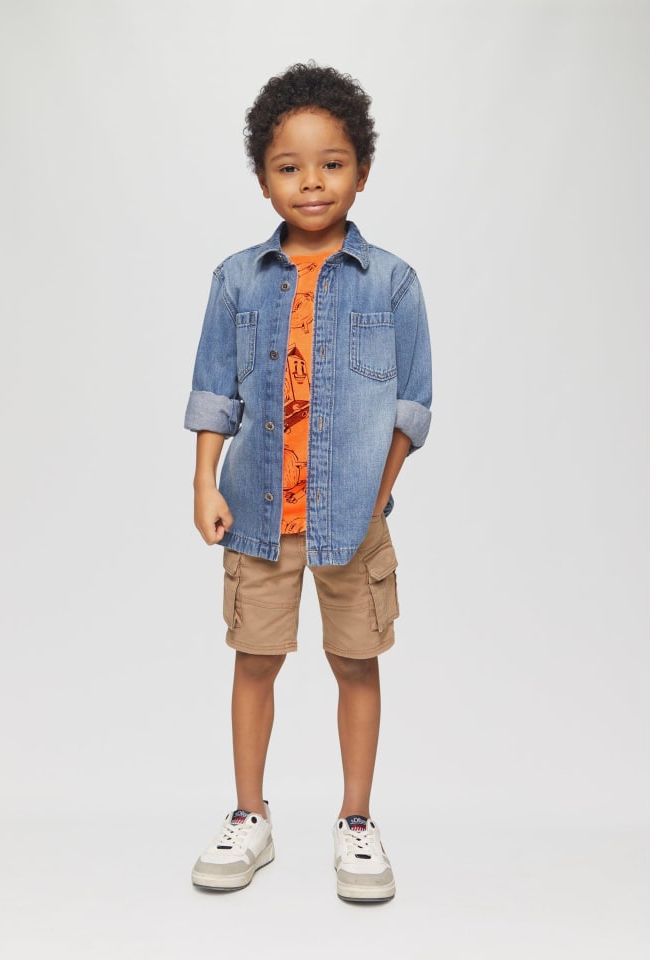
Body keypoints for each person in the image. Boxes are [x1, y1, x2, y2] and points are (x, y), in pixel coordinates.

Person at [184, 62, 432, 902]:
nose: (312, 182)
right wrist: (204, 483)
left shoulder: (393, 282)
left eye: (332, 163)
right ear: (264, 179)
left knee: (356, 665)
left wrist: (375, 498)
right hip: (257, 515)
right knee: (254, 660)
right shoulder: (236, 279)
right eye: (289, 167)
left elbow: (411, 408)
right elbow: (214, 392)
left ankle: (356, 821)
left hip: (354, 521)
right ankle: (248, 815)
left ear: (363, 170)